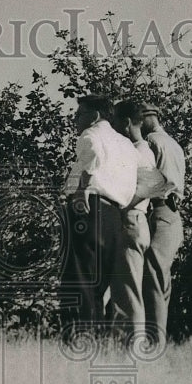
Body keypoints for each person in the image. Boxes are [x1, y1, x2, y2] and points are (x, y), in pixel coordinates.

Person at [59, 94, 138, 333]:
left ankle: (79, 339)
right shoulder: (125, 144)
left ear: (94, 116)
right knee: (100, 284)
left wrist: (83, 188)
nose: (74, 119)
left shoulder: (91, 135)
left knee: (79, 279)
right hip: (114, 215)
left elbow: (92, 155)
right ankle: (95, 336)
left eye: (79, 114)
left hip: (88, 209)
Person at [110, 98, 174, 339]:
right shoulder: (138, 150)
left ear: (126, 123)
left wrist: (124, 203)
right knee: (124, 287)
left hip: (132, 221)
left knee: (129, 290)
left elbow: (156, 183)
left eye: (116, 122)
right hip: (133, 221)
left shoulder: (141, 151)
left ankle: (133, 344)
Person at [141, 103, 186, 347]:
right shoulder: (173, 143)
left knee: (154, 277)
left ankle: (155, 342)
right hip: (171, 215)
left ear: (148, 118)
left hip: (161, 210)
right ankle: (156, 338)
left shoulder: (152, 141)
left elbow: (164, 184)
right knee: (160, 278)